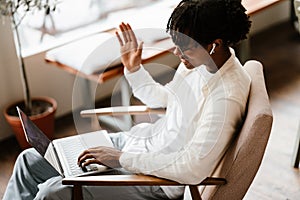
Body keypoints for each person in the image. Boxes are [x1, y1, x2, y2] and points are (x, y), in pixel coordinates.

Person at [3, 0, 252, 199]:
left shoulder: (226, 97)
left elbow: (193, 168)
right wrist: (134, 69)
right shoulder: (199, 63)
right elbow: (166, 99)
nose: (176, 52)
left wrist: (119, 158)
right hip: (137, 143)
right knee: (30, 160)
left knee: (51, 193)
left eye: (183, 46)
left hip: (159, 180)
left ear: (214, 45)